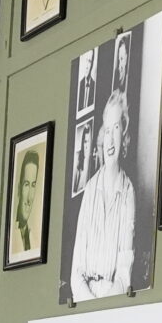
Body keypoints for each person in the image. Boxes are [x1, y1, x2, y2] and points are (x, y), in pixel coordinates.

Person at [68, 85, 138, 301]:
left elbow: (124, 274)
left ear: (123, 133)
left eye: (116, 128)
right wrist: (89, 303)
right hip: (84, 298)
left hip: (112, 301)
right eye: (107, 130)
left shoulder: (128, 192)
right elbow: (76, 271)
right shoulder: (90, 189)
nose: (110, 139)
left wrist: (104, 307)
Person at [11, 147, 46, 257]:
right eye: (26, 185)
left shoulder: (34, 239)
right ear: (19, 189)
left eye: (33, 185)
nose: (29, 198)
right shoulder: (10, 235)